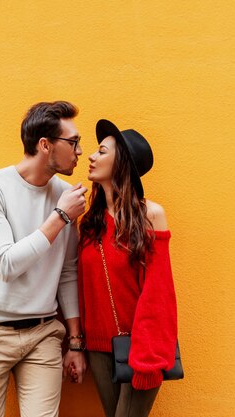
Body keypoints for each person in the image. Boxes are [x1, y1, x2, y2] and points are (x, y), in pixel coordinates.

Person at [0, 101, 88, 417]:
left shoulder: (64, 194)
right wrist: (60, 216)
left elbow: (68, 272)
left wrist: (74, 343)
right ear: (45, 145)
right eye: (72, 142)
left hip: (43, 333)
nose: (80, 151)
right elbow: (6, 265)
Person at [78, 119, 178, 417]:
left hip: (140, 347)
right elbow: (83, 285)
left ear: (122, 161)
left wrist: (147, 358)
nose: (91, 157)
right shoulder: (90, 224)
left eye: (101, 151)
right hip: (98, 348)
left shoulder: (151, 215)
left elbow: (159, 291)